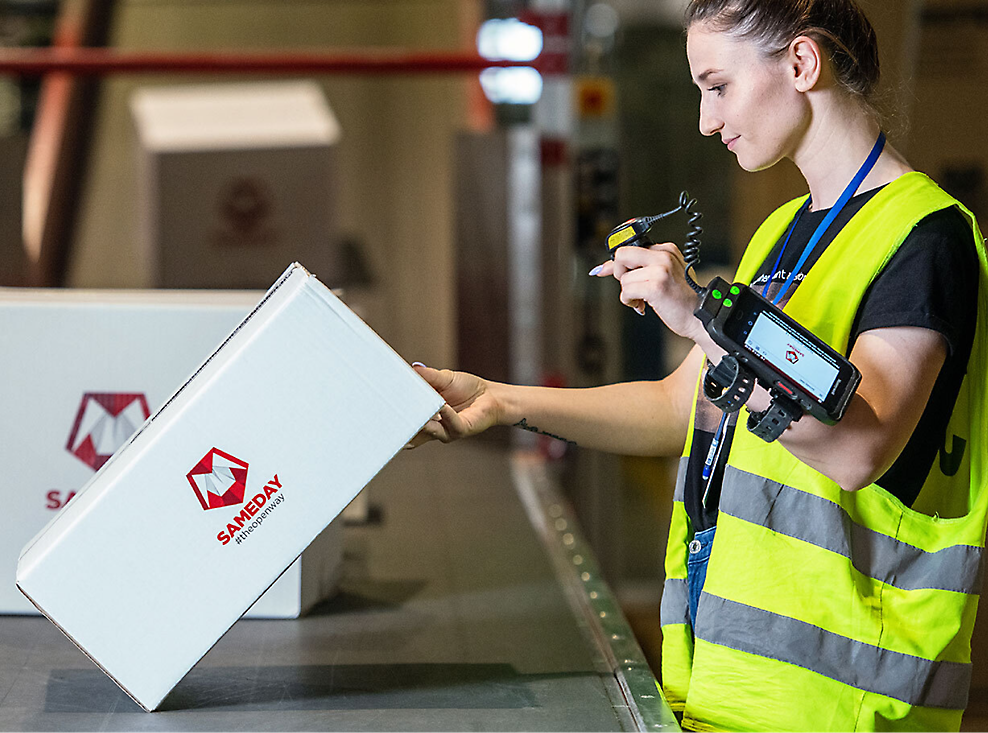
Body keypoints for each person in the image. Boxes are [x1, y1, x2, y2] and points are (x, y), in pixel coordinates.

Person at [410, 1, 987, 730]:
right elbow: (677, 405)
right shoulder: (781, 234)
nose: (706, 121)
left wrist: (698, 320)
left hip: (838, 701)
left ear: (802, 64)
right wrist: (499, 399)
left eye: (717, 86)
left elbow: (855, 446)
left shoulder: (926, 238)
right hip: (729, 684)